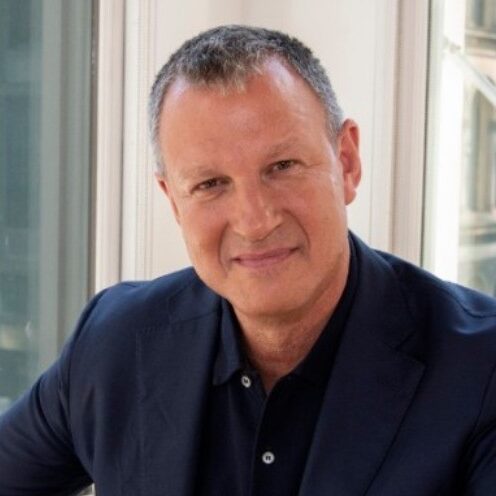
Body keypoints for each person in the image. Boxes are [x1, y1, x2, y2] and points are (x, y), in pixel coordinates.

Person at [0, 25, 495, 496]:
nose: (254, 221)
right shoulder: (115, 341)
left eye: (282, 166)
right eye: (210, 184)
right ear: (174, 202)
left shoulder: (481, 369)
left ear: (346, 162)